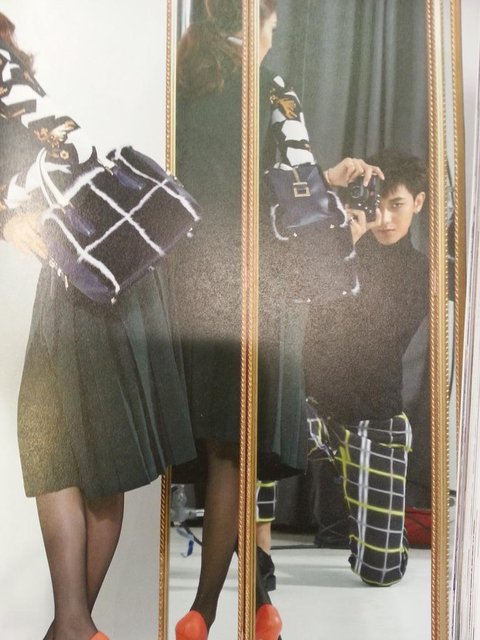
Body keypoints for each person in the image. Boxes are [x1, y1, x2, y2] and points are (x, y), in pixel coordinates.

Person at [172, 1, 382, 638]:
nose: (274, 35)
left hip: (194, 284)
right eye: (272, 25)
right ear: (256, 24)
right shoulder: (271, 89)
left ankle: (248, 603)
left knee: (220, 449)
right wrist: (331, 193)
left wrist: (322, 176)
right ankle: (216, 607)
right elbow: (294, 200)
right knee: (240, 453)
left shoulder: (183, 84)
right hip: (258, 290)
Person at [0, 13, 196, 640]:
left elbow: (45, 167)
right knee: (87, 457)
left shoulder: (12, 88)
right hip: (109, 272)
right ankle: (74, 627)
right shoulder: (23, 89)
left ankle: (74, 627)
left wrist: (7, 216)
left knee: (63, 453)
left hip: (84, 280)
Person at [305, 149, 429, 586]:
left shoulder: (422, 271)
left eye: (398, 205)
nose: (386, 219)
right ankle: (257, 560)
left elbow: (381, 337)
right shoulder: (345, 243)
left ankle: (380, 530)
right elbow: (304, 316)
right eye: (380, 205)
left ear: (418, 202)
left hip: (374, 416)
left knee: (381, 572)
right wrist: (345, 244)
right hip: (313, 403)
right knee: (253, 422)